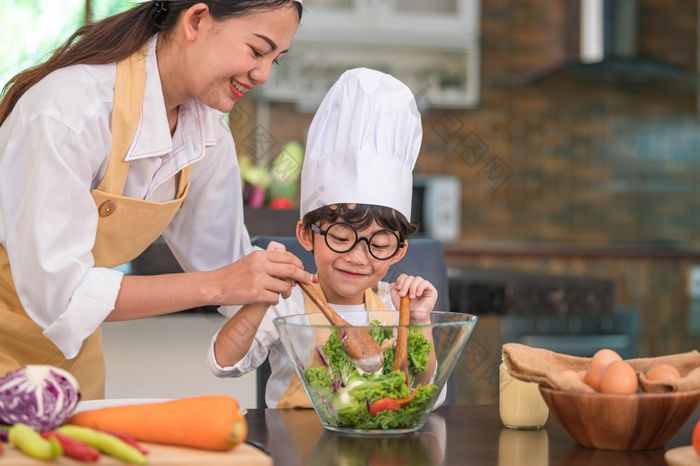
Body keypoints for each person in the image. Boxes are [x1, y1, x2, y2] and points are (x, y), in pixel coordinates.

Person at [0, 0, 314, 400]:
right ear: (197, 20)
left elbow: (229, 264)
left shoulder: (208, 133)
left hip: (70, 355)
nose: (263, 74)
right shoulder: (70, 111)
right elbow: (62, 295)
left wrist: (323, 326)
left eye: (277, 60)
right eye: (256, 50)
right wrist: (217, 286)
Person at [209, 67, 443, 408]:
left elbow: (427, 393)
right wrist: (260, 298)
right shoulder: (286, 305)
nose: (358, 257)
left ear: (398, 251)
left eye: (378, 244)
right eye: (342, 237)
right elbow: (225, 363)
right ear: (307, 234)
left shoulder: (396, 306)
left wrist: (420, 322)